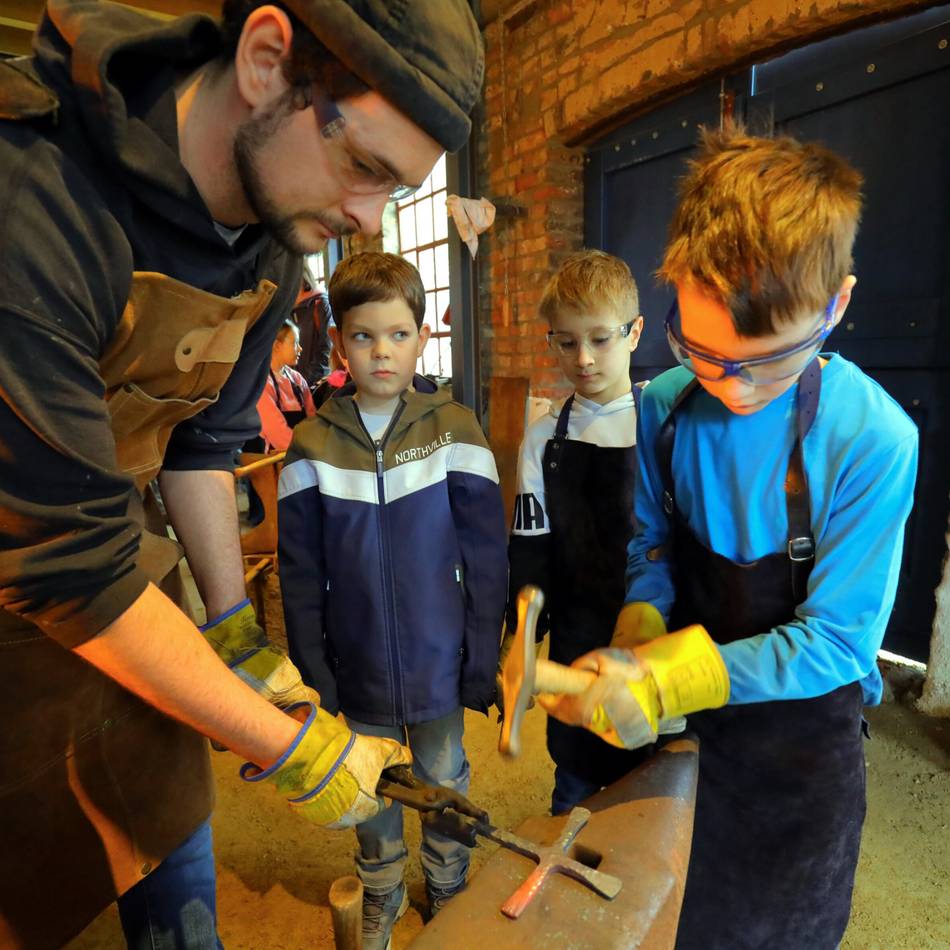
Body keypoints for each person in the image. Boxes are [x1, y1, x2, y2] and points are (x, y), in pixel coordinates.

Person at [0, 0, 484, 946]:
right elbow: (65, 566)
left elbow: (201, 443)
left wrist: (231, 633)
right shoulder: (33, 202)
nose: (366, 217)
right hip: (36, 585)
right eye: (364, 167)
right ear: (267, 60)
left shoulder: (274, 238)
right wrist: (292, 745)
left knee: (169, 853)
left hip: (128, 594)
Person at [540, 127, 918, 949]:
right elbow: (650, 551)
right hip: (699, 747)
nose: (732, 387)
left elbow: (837, 645)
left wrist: (667, 679)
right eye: (704, 352)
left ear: (836, 304)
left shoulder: (871, 439)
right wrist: (638, 633)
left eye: (766, 362)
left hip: (801, 759)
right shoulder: (665, 409)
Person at [277, 252, 507, 949]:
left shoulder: (455, 429)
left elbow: (488, 557)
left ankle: (447, 882)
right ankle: (380, 889)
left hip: (441, 657)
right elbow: (297, 570)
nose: (382, 351)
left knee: (442, 776)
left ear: (421, 338)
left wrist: (482, 653)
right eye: (365, 336)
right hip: (358, 664)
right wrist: (313, 669)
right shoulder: (310, 445)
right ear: (340, 342)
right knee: (370, 783)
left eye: (399, 334)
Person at [507, 250, 663, 815]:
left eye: (600, 338)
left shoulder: (662, 425)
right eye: (567, 341)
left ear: (634, 332)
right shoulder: (544, 437)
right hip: (574, 632)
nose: (584, 358)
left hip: (648, 631)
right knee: (574, 781)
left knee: (648, 788)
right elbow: (531, 542)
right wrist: (521, 628)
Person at [255, 319, 318, 452]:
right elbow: (278, 435)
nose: (300, 349)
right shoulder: (262, 383)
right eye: (295, 343)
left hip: (306, 452)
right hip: (281, 459)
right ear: (277, 345)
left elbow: (313, 419)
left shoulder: (297, 379)